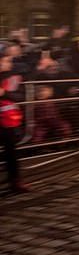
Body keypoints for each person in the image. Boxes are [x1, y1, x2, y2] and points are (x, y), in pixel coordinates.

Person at [0, 55, 28, 194]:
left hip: (7, 123)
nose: (8, 64)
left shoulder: (13, 78)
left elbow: (20, 96)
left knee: (11, 153)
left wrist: (4, 93)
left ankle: (15, 182)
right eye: (6, 61)